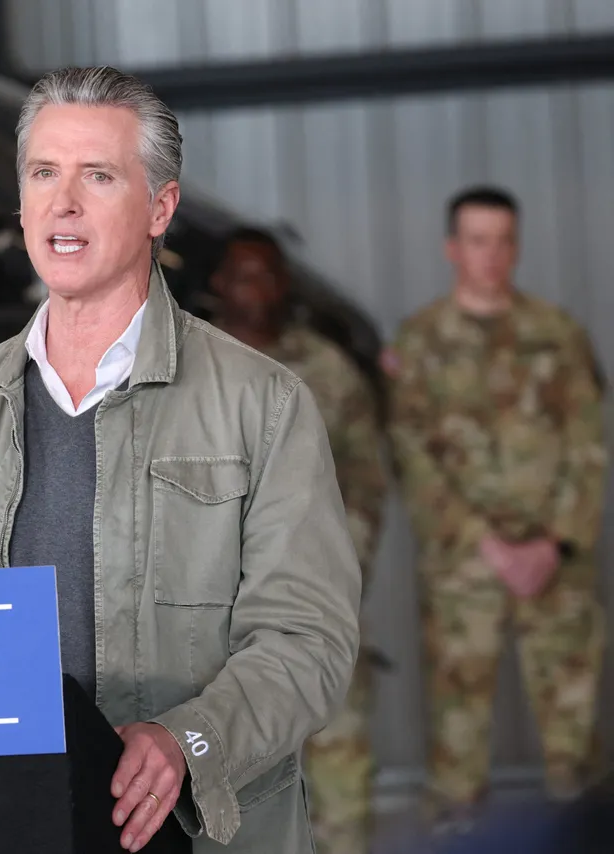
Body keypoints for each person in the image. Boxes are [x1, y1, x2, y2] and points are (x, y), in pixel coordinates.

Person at [0, 65, 361, 853]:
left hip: (197, 834)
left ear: (160, 207)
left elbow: (308, 640)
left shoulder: (263, 403)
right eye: (44, 173)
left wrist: (190, 740)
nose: (64, 202)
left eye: (98, 176)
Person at [385, 186, 607, 832]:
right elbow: (411, 454)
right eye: (477, 241)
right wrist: (487, 544)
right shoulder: (421, 341)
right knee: (459, 738)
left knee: (577, 735)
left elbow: (589, 443)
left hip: (554, 563)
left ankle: (587, 837)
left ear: (517, 247)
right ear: (453, 249)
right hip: (465, 567)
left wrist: (554, 543)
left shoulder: (557, 333)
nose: (492, 255)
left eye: (504, 240)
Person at [209, 226, 387, 854]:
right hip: (212, 628)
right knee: (231, 786)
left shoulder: (327, 370)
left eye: (268, 274)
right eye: (244, 274)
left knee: (341, 774)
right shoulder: (183, 366)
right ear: (219, 284)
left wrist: (342, 560)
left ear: (285, 284)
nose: (256, 288)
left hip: (316, 608)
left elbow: (366, 475)